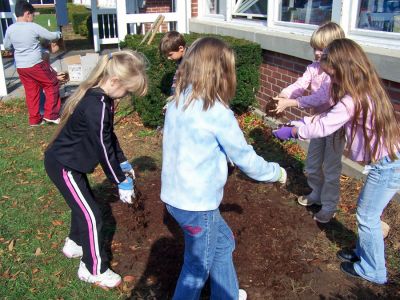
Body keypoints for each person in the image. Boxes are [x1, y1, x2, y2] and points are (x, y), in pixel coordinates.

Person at [161, 37, 287, 300]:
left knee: (223, 244)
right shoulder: (216, 112)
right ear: (221, 73)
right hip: (197, 206)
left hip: (176, 198)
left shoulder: (178, 102)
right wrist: (275, 172)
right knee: (196, 267)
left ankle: (227, 294)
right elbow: (245, 158)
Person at [273, 38, 400, 285]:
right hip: (387, 163)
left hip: (388, 166)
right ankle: (363, 253)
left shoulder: (352, 99)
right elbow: (325, 118)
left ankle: (374, 270)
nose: (333, 80)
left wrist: (293, 131)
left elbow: (324, 124)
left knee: (367, 217)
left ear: (344, 68)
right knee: (366, 213)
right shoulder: (367, 87)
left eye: (334, 75)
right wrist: (298, 123)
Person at [44, 50, 148, 288]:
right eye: (127, 91)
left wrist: (121, 162)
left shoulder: (103, 99)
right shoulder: (97, 105)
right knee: (92, 215)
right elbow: (102, 147)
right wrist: (119, 180)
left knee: (82, 204)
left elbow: (108, 136)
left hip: (70, 164)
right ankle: (93, 269)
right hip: (63, 166)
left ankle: (74, 243)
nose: (126, 96)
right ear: (114, 82)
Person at [273, 22, 345, 223]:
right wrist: (284, 94)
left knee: (331, 168)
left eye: (322, 49)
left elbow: (321, 98)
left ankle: (329, 205)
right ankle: (316, 193)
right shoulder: (314, 68)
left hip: (334, 128)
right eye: (315, 48)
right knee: (313, 164)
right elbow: (300, 84)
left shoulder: (335, 74)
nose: (316, 53)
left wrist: (292, 103)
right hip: (315, 124)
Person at [3, 1, 62, 126]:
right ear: (27, 14)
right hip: (35, 64)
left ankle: (35, 120)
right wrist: (58, 34)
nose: (32, 18)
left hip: (21, 67)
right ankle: (51, 115)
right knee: (52, 83)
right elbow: (50, 36)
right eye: (32, 15)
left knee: (32, 92)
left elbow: (7, 46)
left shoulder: (10, 29)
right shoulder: (32, 26)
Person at [159, 31, 186, 95]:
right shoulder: (181, 59)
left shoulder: (191, 60)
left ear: (181, 48)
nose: (168, 58)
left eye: (170, 54)